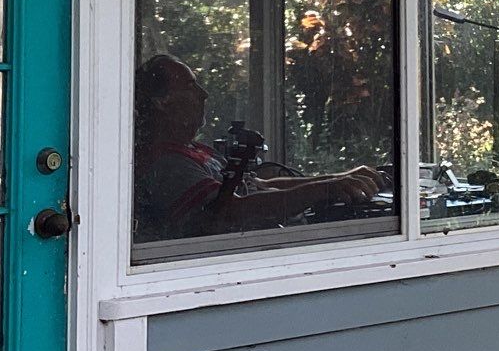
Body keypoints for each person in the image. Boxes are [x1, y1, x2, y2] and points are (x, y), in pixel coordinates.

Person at [133, 54, 385, 240]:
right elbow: (233, 211)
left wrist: (341, 179)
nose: (203, 94)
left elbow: (259, 187)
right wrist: (325, 189)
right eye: (190, 86)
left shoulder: (195, 150)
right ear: (162, 102)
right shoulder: (165, 163)